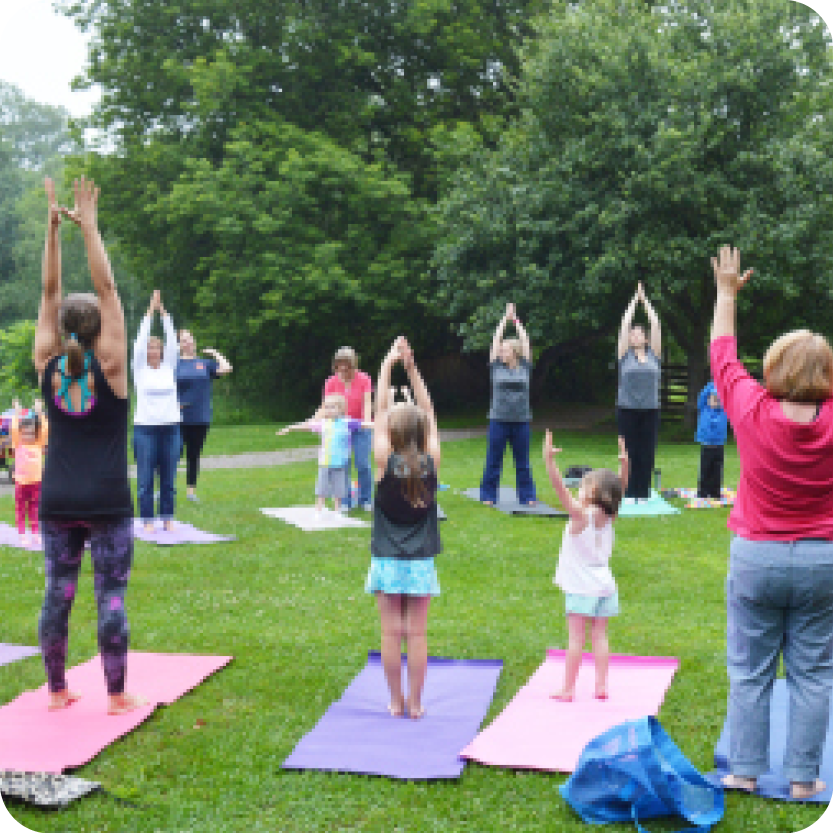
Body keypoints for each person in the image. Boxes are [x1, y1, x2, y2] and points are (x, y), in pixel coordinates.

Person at [710, 245, 833, 800]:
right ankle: (805, 779)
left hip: (757, 557)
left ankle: (744, 771)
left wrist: (726, 293)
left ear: (775, 370)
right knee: (813, 672)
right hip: (822, 561)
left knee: (750, 669)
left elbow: (722, 354)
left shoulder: (751, 407)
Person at [33, 176, 145, 715]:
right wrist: (90, 226)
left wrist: (53, 231)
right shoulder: (113, 366)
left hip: (56, 500)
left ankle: (56, 691)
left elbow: (50, 293)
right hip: (105, 500)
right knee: (111, 596)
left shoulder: (47, 366)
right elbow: (108, 290)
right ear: (102, 329)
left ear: (60, 331)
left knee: (59, 592)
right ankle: (117, 694)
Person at [367, 336, 441, 719]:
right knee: (418, 634)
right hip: (420, 561)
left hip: (386, 559)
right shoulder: (431, 459)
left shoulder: (383, 460)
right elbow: (427, 410)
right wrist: (412, 370)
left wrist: (387, 364)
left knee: (390, 633)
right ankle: (416, 703)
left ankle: (395, 701)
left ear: (390, 433)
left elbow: (380, 412)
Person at [543, 430, 629, 701]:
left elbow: (560, 490)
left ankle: (568, 689)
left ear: (590, 492)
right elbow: (619, 492)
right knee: (600, 636)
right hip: (606, 587)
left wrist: (549, 462)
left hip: (581, 589)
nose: (575, 491)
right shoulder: (610, 516)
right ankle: (601, 685)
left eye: (580, 487)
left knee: (576, 640)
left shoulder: (581, 517)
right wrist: (624, 468)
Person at [133, 290, 180, 532]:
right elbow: (139, 342)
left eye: (156, 348)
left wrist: (164, 314)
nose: (152, 351)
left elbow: (173, 341)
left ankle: (167, 516)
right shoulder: (139, 369)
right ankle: (148, 519)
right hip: (145, 429)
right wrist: (149, 312)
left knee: (169, 478)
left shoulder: (169, 367)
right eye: (150, 348)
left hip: (171, 428)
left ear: (162, 352)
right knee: (145, 480)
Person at [480, 302, 536, 506]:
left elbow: (526, 341)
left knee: (523, 463)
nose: (501, 352)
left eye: (505, 349)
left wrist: (516, 320)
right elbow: (495, 339)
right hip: (498, 420)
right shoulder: (496, 366)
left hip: (521, 421)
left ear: (515, 351)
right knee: (494, 461)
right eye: (500, 350)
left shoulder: (525, 366)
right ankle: (488, 495)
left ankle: (528, 496)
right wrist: (505, 318)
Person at [277, 393, 371, 513]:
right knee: (322, 488)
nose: (328, 410)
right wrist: (290, 428)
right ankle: (319, 509)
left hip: (340, 463)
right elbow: (307, 426)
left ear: (341, 409)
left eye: (332, 407)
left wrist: (381, 426)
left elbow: (365, 424)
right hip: (325, 462)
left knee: (339, 489)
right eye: (326, 407)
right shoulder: (323, 423)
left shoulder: (347, 422)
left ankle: (338, 510)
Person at [616, 282, 662, 499]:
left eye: (638, 334)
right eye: (631, 334)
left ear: (645, 339)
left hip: (650, 410)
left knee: (646, 453)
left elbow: (655, 323)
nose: (633, 336)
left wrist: (646, 301)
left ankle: (642, 493)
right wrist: (634, 301)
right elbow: (624, 324)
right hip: (627, 410)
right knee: (629, 452)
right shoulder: (624, 355)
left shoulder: (654, 355)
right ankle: (627, 491)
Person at [176, 329, 233, 502]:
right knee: (173, 454)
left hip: (200, 417)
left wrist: (215, 353)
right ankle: (165, 489)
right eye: (184, 340)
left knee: (193, 455)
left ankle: (191, 492)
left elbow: (227, 368)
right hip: (177, 417)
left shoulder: (205, 364)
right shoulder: (174, 364)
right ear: (179, 345)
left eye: (190, 339)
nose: (188, 342)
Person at [323, 347, 373, 510]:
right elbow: (326, 406)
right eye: (339, 364)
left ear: (353, 364)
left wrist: (366, 423)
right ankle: (344, 501)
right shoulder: (331, 382)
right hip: (340, 428)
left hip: (360, 426)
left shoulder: (364, 378)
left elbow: (367, 403)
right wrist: (315, 420)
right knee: (342, 464)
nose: (343, 368)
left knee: (362, 463)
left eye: (346, 364)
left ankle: (365, 499)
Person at [10, 399, 49, 547]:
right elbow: (14, 428)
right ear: (20, 434)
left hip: (36, 483)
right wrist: (17, 412)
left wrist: (39, 412)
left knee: (34, 509)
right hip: (21, 483)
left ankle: (35, 533)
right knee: (21, 510)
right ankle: (21, 535)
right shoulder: (18, 444)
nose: (28, 436)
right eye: (25, 433)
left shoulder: (38, 444)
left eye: (31, 433)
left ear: (35, 434)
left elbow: (44, 429)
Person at [695, 380, 728, 499]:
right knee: (705, 470)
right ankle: (702, 492)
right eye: (713, 399)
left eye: (718, 400)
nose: (716, 402)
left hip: (719, 447)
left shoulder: (724, 412)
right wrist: (713, 383)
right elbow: (702, 395)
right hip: (707, 447)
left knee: (717, 472)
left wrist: (721, 385)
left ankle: (715, 492)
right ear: (708, 400)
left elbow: (727, 396)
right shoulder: (704, 409)